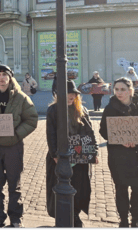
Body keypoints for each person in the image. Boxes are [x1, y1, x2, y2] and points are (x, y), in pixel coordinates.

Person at [0, 65, 38, 228]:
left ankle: (16, 218)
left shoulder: (21, 97)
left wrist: (16, 134)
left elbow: (32, 120)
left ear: (10, 77)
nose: (2, 77)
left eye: (5, 75)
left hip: (13, 147)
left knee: (14, 184)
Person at [46, 80, 98, 228]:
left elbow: (90, 133)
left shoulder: (81, 110)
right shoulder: (53, 110)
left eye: (73, 93)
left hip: (80, 156)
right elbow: (50, 134)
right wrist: (54, 155)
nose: (71, 96)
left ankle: (75, 214)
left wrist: (94, 152)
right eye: (68, 93)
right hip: (60, 157)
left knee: (79, 187)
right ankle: (65, 216)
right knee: (59, 187)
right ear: (59, 95)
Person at [99, 77, 138, 228]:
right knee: (121, 188)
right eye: (117, 89)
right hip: (118, 155)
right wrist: (119, 139)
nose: (119, 93)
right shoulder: (110, 108)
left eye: (123, 89)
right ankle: (123, 219)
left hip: (136, 153)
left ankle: (135, 219)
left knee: (137, 188)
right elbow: (103, 129)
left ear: (130, 90)